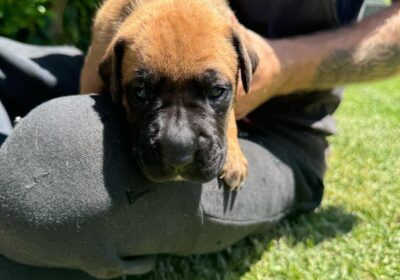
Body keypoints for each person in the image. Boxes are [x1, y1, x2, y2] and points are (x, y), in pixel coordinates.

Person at [0, 0, 398, 279]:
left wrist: (279, 69)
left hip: (280, 131)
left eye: (215, 92)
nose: (177, 144)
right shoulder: (118, 45)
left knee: (53, 168)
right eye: (139, 92)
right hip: (141, 47)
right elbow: (103, 70)